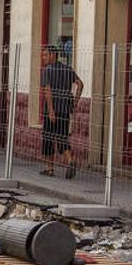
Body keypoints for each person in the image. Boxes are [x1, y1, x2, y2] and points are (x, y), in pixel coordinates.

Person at [39, 46, 83, 178]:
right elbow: (80, 84)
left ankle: (49, 168)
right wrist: (75, 101)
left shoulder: (47, 71)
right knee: (62, 137)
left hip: (52, 111)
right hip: (65, 110)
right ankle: (70, 160)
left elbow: (47, 91)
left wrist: (51, 111)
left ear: (53, 55)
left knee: (48, 138)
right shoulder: (67, 69)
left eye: (45, 55)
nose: (43, 58)